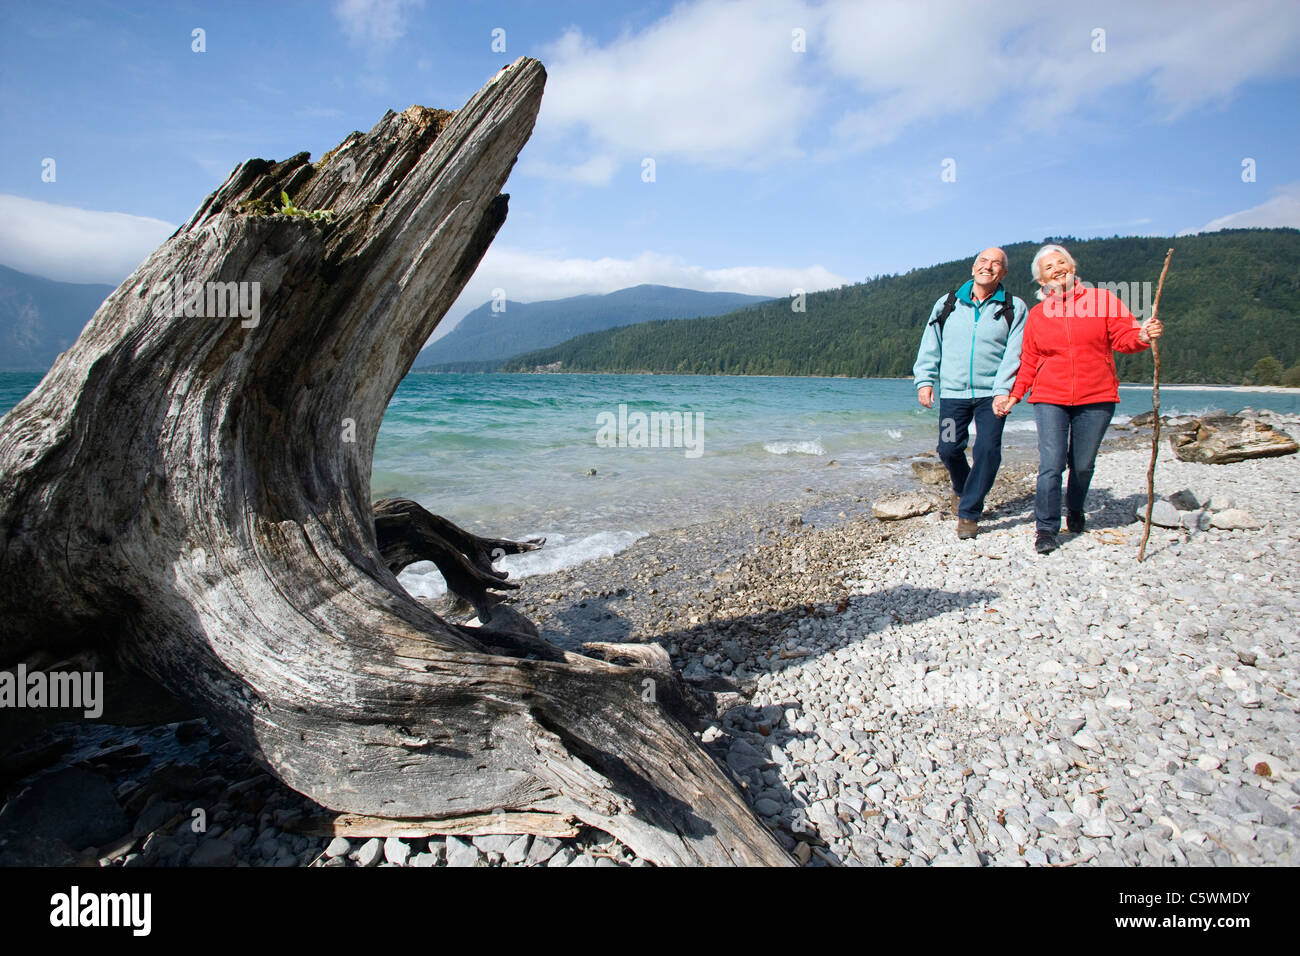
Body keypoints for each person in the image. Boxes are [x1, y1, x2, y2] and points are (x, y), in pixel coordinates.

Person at [996, 244, 1163, 554]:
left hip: (1097, 395)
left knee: (1083, 465)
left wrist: (1141, 336)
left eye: (1062, 262)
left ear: (1072, 267)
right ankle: (1046, 528)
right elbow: (1029, 360)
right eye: (1049, 267)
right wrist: (1014, 394)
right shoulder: (1038, 315)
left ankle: (1074, 507)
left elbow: (1124, 338)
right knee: (1051, 464)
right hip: (1050, 396)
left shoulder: (1102, 301)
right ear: (1040, 279)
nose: (1057, 268)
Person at [913, 247, 1028, 540]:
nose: (988, 267)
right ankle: (964, 490)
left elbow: (1015, 353)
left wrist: (1004, 390)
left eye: (996, 264)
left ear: (1003, 273)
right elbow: (931, 342)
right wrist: (925, 380)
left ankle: (969, 512)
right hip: (953, 395)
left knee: (987, 450)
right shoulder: (947, 303)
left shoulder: (1014, 307)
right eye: (983, 261)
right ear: (973, 267)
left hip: (993, 395)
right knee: (948, 448)